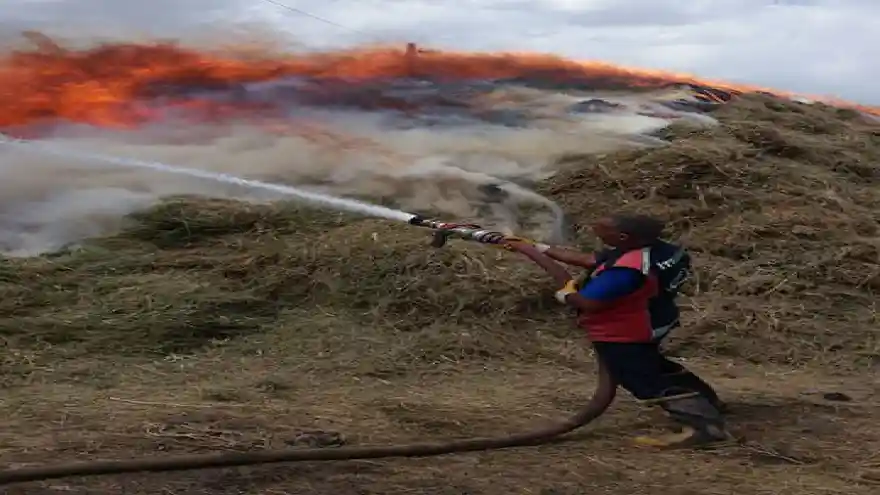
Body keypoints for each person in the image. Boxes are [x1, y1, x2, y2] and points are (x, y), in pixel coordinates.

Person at [503, 213, 731, 448]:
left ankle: (703, 427)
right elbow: (591, 260)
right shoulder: (655, 250)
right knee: (653, 366)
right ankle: (708, 401)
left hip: (626, 330)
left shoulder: (627, 270)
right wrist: (538, 248)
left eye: (603, 228)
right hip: (651, 318)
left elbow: (589, 302)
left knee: (641, 378)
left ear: (623, 237)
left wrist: (566, 294)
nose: (595, 229)